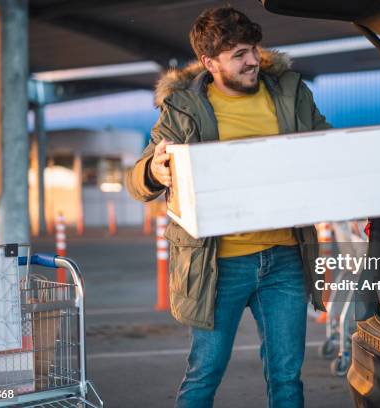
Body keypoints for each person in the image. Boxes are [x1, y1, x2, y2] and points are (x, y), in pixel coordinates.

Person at [126, 6, 330, 408]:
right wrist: (155, 169)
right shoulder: (182, 107)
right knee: (204, 374)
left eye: (252, 49)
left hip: (286, 258)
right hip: (218, 265)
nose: (252, 60)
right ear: (209, 62)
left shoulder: (290, 92)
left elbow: (326, 144)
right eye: (238, 54)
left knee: (287, 378)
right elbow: (139, 180)